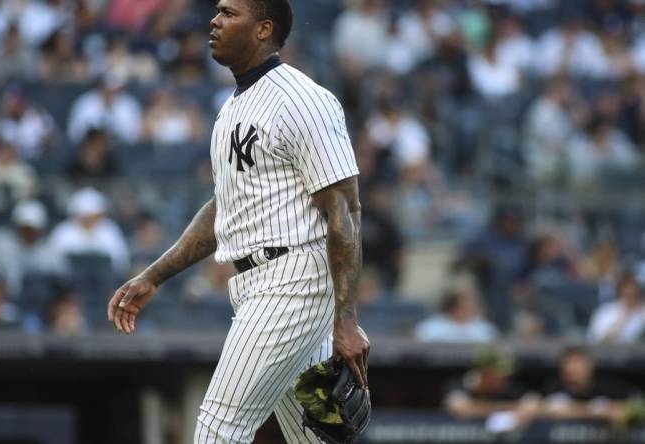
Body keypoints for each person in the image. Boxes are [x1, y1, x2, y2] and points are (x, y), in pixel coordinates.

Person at [107, 1, 369, 442]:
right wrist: (154, 276)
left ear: (263, 28)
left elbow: (344, 210)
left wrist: (346, 317)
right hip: (258, 283)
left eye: (229, 13)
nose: (214, 20)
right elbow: (224, 208)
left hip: (292, 280)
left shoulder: (303, 100)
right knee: (312, 438)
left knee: (218, 429)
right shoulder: (232, 108)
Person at [414, 283, 498, 343]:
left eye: (472, 305)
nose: (469, 309)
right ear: (453, 306)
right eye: (463, 305)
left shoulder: (485, 329)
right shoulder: (432, 326)